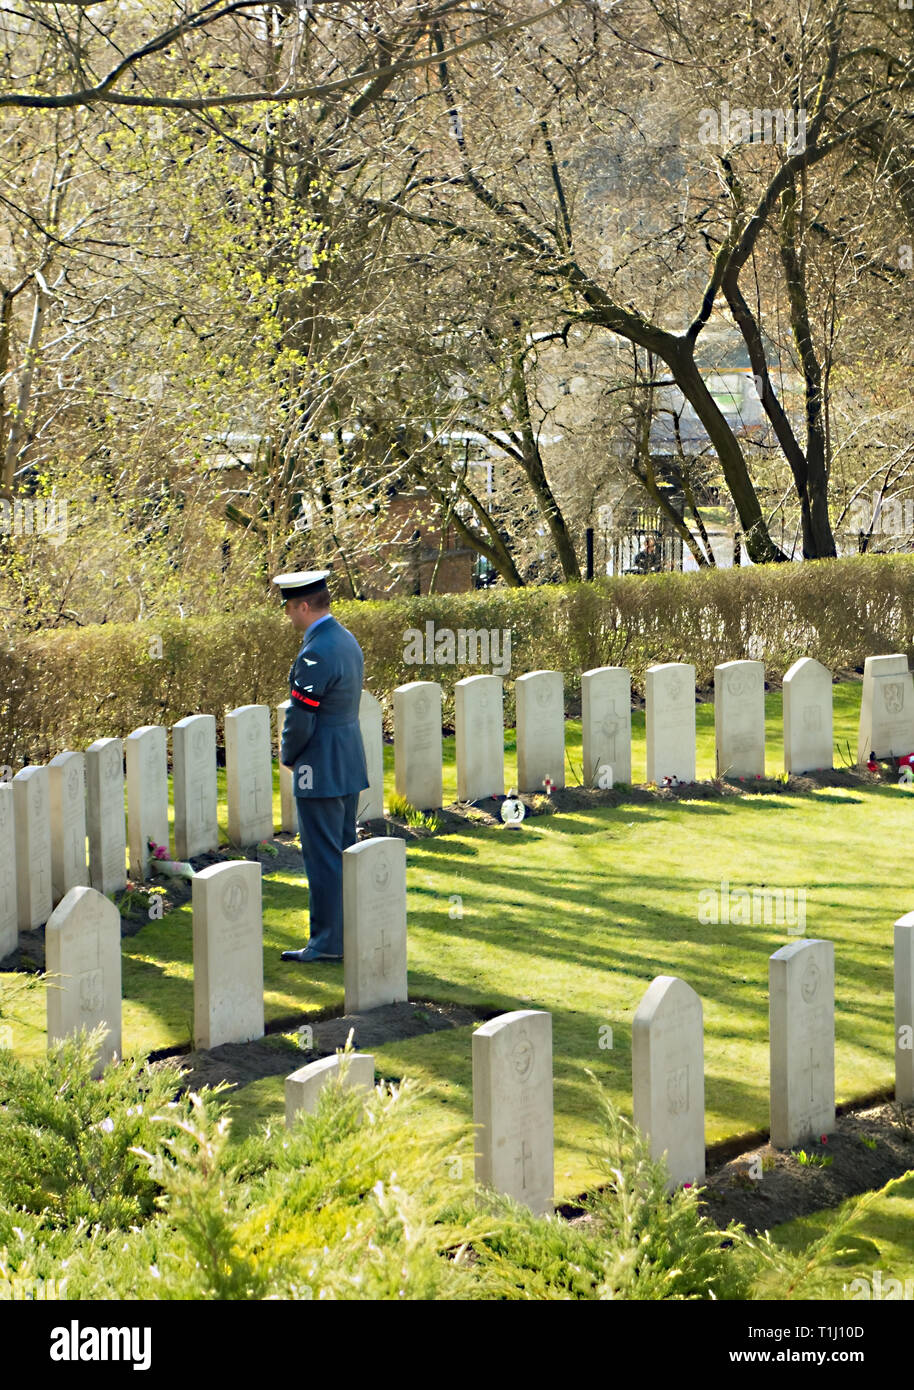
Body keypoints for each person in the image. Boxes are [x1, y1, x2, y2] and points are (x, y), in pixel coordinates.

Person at [273, 569, 369, 963]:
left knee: (323, 856)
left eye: (290, 609)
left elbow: (302, 717)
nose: (289, 617)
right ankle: (345, 934)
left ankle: (327, 942)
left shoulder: (316, 651)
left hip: (321, 763)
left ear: (306, 605)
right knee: (343, 850)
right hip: (347, 759)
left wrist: (288, 755)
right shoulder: (345, 639)